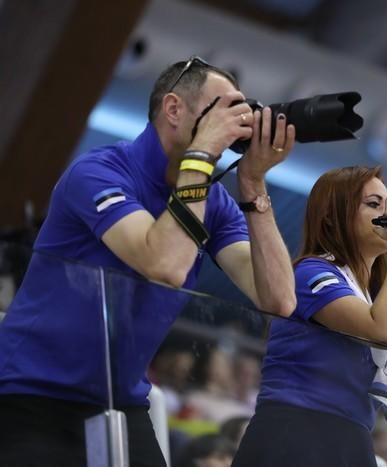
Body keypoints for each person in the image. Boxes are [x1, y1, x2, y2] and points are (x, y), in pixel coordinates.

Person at [0, 56, 296, 467]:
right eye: (221, 110)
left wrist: (253, 185)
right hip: (30, 392)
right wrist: (202, 154)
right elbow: (165, 265)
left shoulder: (216, 202)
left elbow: (279, 299)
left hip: (120, 400)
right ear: (174, 109)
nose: (235, 123)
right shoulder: (99, 172)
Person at [233, 166, 387, 467]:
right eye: (374, 204)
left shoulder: (379, 299)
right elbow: (383, 328)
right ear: (333, 217)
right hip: (294, 429)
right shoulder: (310, 273)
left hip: (352, 437)